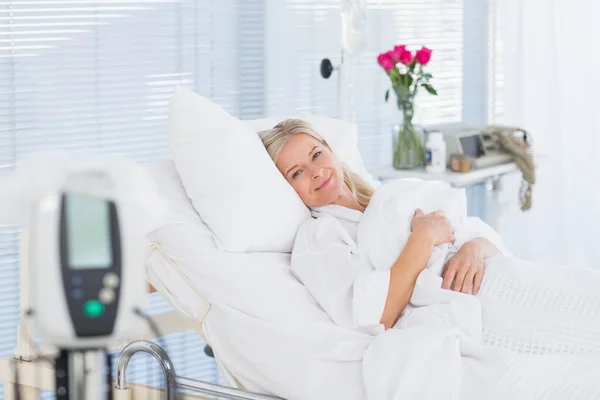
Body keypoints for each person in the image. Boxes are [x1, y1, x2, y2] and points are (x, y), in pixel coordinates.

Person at [260, 119, 508, 332]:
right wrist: (424, 236)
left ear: (330, 148)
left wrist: (473, 249)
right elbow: (377, 316)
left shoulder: (388, 199)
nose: (315, 172)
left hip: (496, 279)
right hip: (470, 310)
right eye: (297, 173)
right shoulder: (317, 237)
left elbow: (475, 233)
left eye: (316, 154)